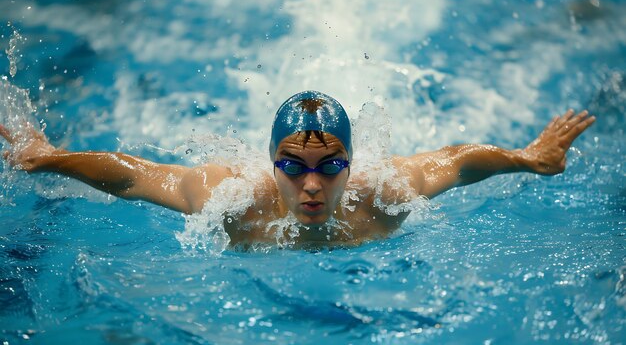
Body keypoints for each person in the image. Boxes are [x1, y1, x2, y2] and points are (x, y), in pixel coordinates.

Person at [0, 90, 595, 247]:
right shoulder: (230, 199)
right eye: (293, 166)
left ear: (351, 164)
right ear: (270, 164)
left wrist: (527, 159)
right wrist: (49, 158)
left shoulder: (380, 195)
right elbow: (134, 175)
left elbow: (457, 163)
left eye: (331, 166)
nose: (312, 184)